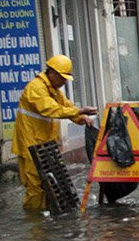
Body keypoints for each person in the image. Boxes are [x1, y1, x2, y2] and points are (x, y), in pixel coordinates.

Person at [12, 54, 97, 210]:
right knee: (35, 185)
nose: (64, 82)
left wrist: (82, 118)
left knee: (50, 182)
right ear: (52, 73)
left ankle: (47, 212)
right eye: (62, 78)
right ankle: (35, 220)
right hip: (30, 144)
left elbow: (67, 107)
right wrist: (81, 110)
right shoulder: (36, 88)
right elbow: (50, 109)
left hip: (45, 144)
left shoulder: (54, 89)